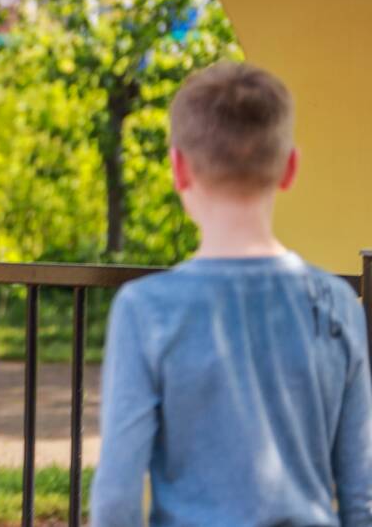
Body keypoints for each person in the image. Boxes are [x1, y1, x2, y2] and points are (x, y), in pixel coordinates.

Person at [90, 62, 372, 526]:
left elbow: (116, 499)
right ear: (290, 167)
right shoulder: (339, 304)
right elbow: (360, 497)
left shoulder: (146, 311)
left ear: (178, 168)